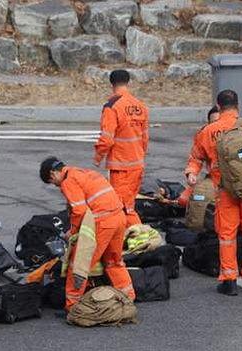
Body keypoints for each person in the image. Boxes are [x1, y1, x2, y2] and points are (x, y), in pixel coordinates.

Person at [185, 90, 242, 295]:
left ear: (218, 107)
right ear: (238, 106)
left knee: (226, 235)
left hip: (225, 191)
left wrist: (191, 173)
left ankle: (229, 280)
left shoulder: (208, 131)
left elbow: (196, 158)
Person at [40, 157, 135, 311]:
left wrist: (74, 233)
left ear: (53, 174)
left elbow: (79, 210)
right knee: (114, 261)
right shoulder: (85, 172)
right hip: (119, 218)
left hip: (103, 223)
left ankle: (73, 307)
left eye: (52, 182)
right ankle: (128, 297)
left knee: (79, 266)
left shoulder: (68, 181)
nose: (56, 186)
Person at [94, 70, 149, 227]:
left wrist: (98, 157)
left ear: (112, 85)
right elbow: (145, 138)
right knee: (129, 205)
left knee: (121, 208)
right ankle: (134, 238)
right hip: (137, 165)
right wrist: (139, 156)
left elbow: (107, 139)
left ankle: (140, 238)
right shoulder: (140, 106)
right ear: (128, 82)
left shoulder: (112, 107)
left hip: (121, 167)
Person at [160, 106, 220, 207]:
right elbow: (196, 159)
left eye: (219, 122)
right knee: (189, 199)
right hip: (213, 181)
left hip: (234, 181)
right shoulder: (204, 136)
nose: (216, 127)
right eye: (213, 123)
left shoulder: (240, 137)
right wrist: (192, 173)